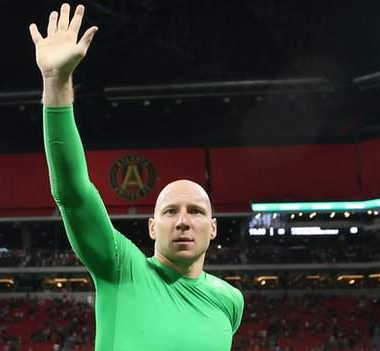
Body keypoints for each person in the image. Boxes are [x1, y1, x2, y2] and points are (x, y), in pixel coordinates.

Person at [29, 3, 244, 350]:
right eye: (170, 211)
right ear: (152, 226)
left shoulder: (230, 301)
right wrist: (56, 84)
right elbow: (73, 193)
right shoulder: (120, 267)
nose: (184, 221)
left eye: (196, 211)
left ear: (214, 227)